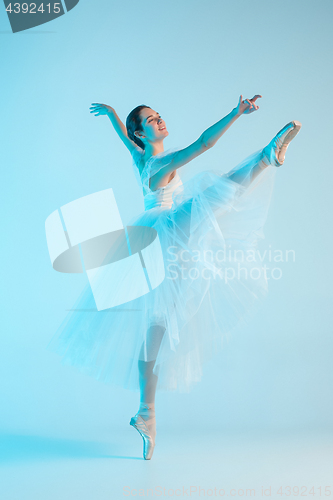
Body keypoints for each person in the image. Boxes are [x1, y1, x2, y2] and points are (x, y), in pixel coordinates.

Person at [47, 96, 301, 460]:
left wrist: (113, 116)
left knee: (158, 325)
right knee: (214, 196)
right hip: (167, 231)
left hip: (162, 249)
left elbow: (124, 137)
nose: (160, 121)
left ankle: (146, 413)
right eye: (151, 120)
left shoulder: (139, 157)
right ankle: (265, 157)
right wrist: (235, 112)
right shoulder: (161, 162)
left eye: (159, 116)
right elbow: (203, 144)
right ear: (142, 133)